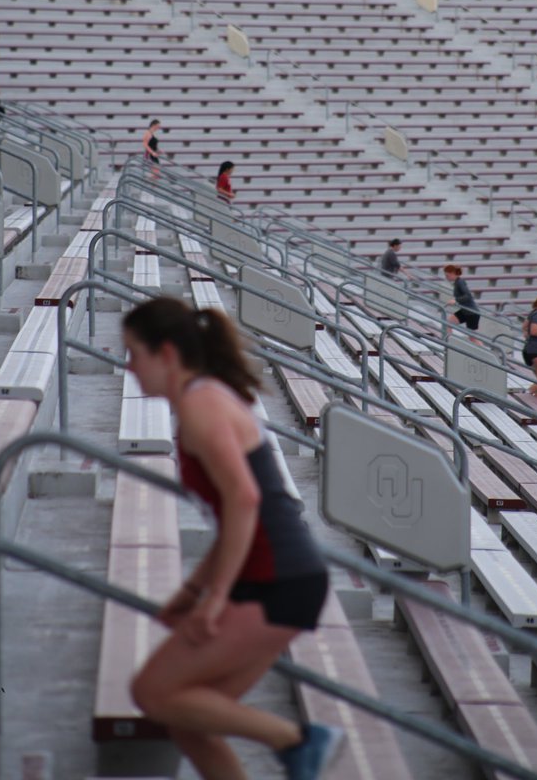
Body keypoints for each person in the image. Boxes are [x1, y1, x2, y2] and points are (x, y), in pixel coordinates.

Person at [122, 297, 345, 780]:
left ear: (165, 354)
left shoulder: (203, 403)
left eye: (133, 353)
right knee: (189, 721)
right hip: (280, 575)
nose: (129, 367)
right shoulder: (203, 399)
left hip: (277, 579)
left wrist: (213, 598)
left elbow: (245, 501)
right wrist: (193, 591)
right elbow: (233, 520)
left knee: (154, 692)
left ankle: (300, 739)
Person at [443, 264, 481, 338]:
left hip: (471, 313)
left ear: (453, 273)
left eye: (447, 276)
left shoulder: (460, 282)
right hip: (465, 311)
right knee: (448, 322)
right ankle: (448, 342)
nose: (446, 278)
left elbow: (468, 296)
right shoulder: (457, 282)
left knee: (473, 338)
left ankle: (485, 350)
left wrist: (456, 300)